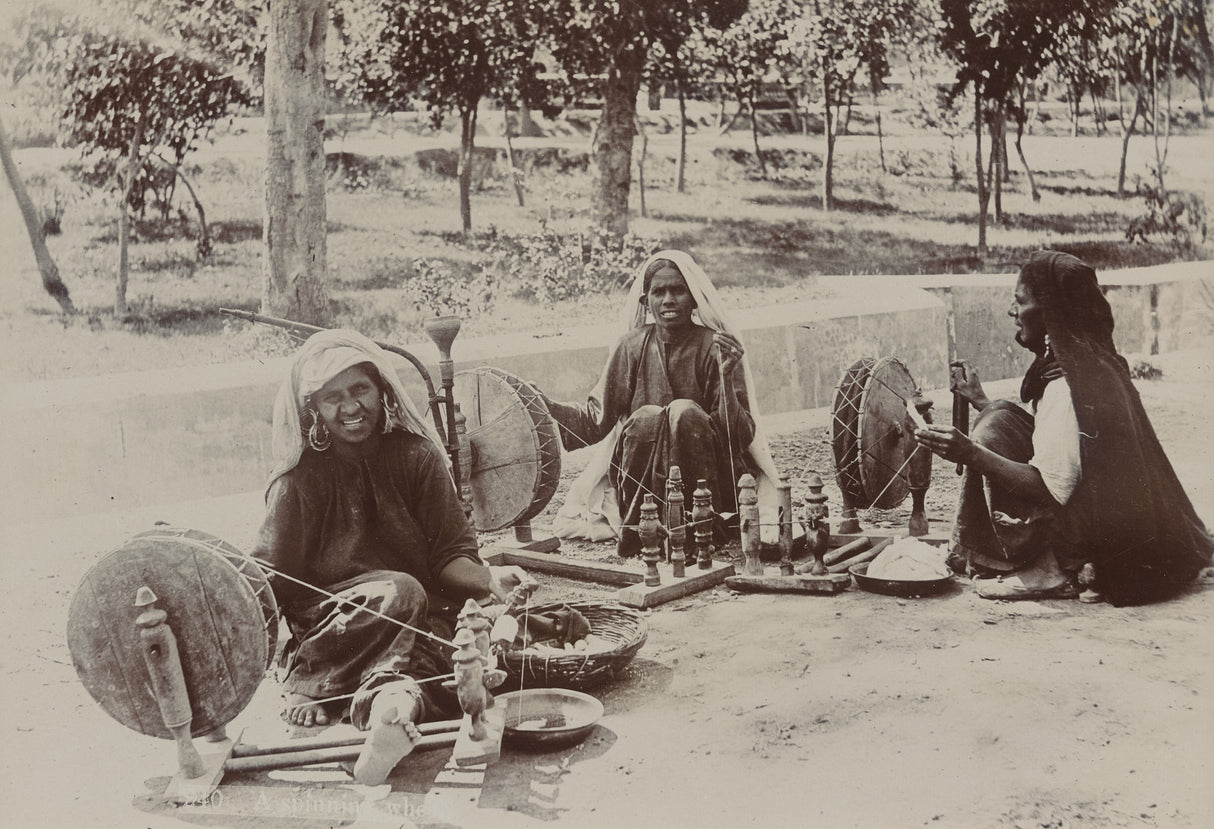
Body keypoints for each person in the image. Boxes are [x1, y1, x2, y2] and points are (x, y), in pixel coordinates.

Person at [250, 328, 530, 784]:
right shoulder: (297, 481)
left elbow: (450, 556)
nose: (350, 407)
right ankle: (316, 686)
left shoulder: (417, 457)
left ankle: (387, 714)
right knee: (400, 591)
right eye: (332, 398)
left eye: (360, 389)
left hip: (415, 618)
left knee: (458, 664)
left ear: (382, 391)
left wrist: (489, 579)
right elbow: (267, 579)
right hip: (337, 627)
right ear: (314, 410)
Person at [914, 251, 1212, 605]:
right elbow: (1060, 440)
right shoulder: (1090, 362)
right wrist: (981, 401)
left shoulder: (1068, 386)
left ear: (1052, 312)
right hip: (1104, 509)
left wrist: (970, 452)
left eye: (1020, 302)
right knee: (1000, 416)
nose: (1013, 311)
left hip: (1098, 529)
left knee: (991, 432)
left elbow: (1050, 487)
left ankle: (1049, 568)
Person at [542, 249, 781, 557]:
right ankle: (642, 529)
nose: (668, 300)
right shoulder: (630, 346)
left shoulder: (715, 346)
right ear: (647, 302)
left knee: (684, 412)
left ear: (694, 299)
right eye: (659, 292)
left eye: (678, 291)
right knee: (644, 418)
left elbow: (739, 437)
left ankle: (700, 530)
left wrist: (726, 377)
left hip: (710, 483)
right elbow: (594, 422)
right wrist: (544, 404)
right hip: (642, 484)